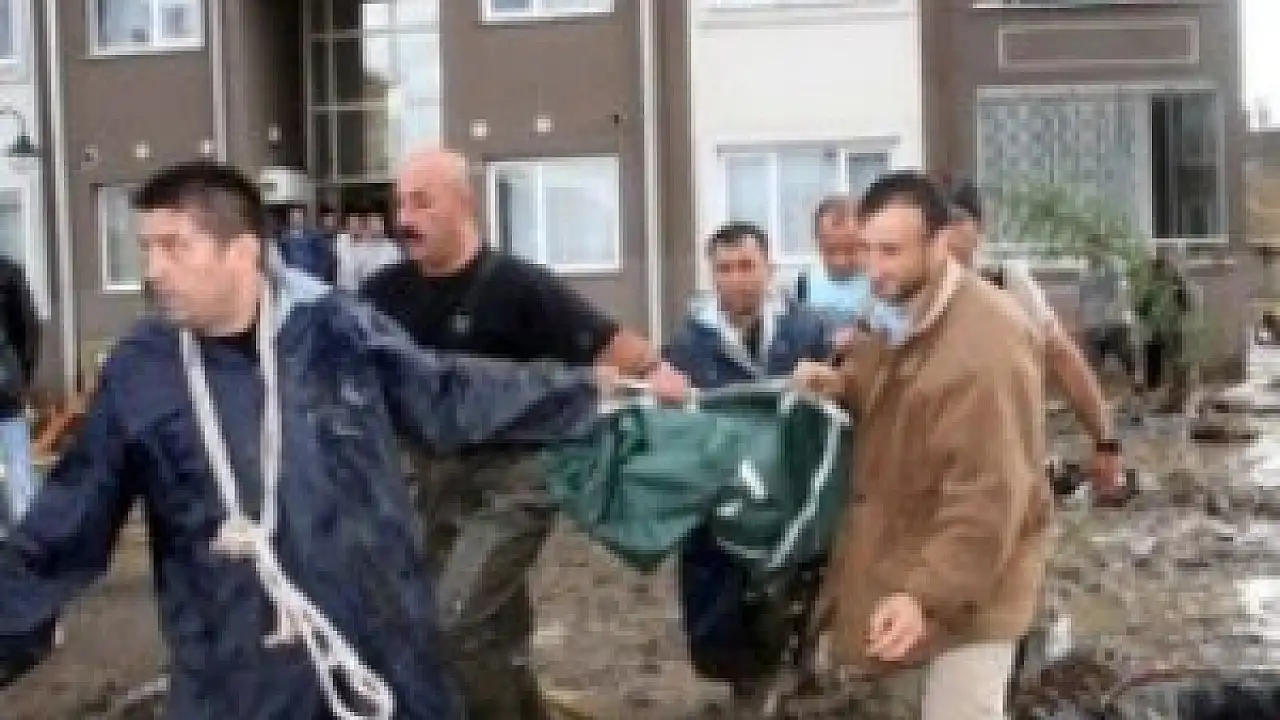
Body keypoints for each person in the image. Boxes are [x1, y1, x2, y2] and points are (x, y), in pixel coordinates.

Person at [0, 160, 619, 720]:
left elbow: (447, 394)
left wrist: (586, 390)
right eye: (146, 248)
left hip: (380, 660)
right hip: (237, 678)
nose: (152, 270)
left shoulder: (334, 334)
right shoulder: (143, 372)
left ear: (242, 252)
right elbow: (65, 525)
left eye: (173, 247)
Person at [360, 148, 687, 720]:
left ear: (463, 204)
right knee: (482, 625)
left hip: (513, 483)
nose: (404, 219)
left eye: (421, 203)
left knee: (456, 621)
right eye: (400, 204)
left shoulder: (518, 287)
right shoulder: (380, 296)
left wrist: (663, 376)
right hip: (426, 482)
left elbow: (614, 345)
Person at [794, 172, 1050, 720]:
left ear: (940, 243)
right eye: (868, 249)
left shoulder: (988, 346)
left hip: (972, 595)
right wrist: (841, 384)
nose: (874, 268)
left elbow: (988, 496)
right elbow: (901, 393)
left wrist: (926, 596)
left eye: (891, 251)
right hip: (905, 568)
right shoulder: (900, 306)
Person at [663, 222, 830, 705]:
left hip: (794, 490)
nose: (737, 279)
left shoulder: (807, 332)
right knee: (722, 597)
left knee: (800, 590)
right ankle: (745, 684)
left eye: (747, 266)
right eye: (725, 269)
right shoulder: (688, 346)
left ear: (769, 268)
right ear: (712, 274)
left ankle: (793, 675)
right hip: (726, 494)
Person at [943, 180, 1123, 494]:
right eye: (937, 222)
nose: (947, 234)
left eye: (956, 221)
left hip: (1006, 463)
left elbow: (1063, 358)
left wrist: (1105, 442)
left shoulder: (1006, 283)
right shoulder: (906, 292)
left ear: (980, 228)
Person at [0, 254, 39, 530]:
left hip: (7, 389)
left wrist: (21, 376)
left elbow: (28, 329)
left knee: (18, 470)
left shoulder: (9, 273)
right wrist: (22, 376)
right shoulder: (9, 272)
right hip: (8, 387)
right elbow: (29, 329)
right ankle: (26, 538)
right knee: (18, 471)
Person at [793, 195, 874, 327]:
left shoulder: (878, 283)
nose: (840, 261)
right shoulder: (803, 286)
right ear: (818, 244)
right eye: (831, 251)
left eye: (849, 250)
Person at [336, 212, 403, 293]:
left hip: (378, 292)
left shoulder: (392, 247)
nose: (374, 228)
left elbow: (396, 274)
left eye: (378, 224)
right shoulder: (342, 240)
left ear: (383, 227)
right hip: (344, 290)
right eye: (371, 224)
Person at [277, 205, 335, 282]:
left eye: (299, 216)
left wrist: (318, 277)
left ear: (303, 218)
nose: (296, 219)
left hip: (311, 278)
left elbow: (322, 257)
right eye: (294, 216)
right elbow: (281, 260)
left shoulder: (314, 236)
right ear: (289, 218)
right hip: (291, 279)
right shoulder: (283, 239)